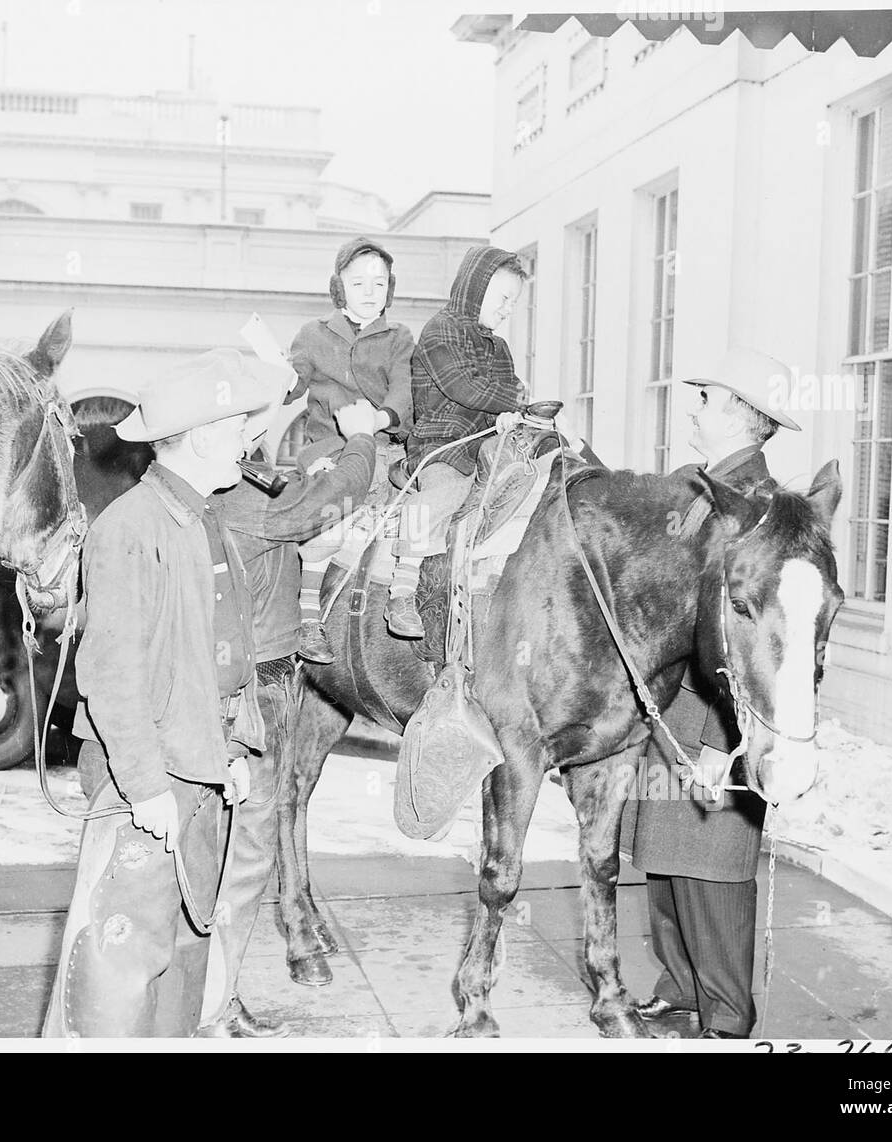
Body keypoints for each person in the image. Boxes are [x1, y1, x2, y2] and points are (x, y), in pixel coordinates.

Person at [41, 348, 279, 1039]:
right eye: (239, 425)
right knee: (112, 976)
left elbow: (217, 657)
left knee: (180, 961)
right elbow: (112, 675)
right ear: (204, 435)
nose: (247, 439)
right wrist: (146, 790)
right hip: (144, 787)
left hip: (197, 777)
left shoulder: (204, 520)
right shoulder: (129, 529)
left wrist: (232, 747)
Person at [619, 346, 802, 1039]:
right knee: (666, 867)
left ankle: (726, 1014)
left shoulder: (761, 509)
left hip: (712, 725)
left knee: (713, 873)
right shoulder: (695, 490)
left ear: (740, 417)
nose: (692, 411)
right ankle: (681, 986)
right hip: (667, 712)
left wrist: (715, 744)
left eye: (706, 400)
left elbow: (761, 648)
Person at [197, 398, 380, 1037]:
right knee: (241, 851)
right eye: (250, 427)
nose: (256, 440)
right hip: (251, 690)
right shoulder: (240, 496)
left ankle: (213, 998)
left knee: (240, 848)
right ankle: (210, 1004)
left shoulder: (237, 486)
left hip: (260, 680)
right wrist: (361, 441)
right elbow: (316, 504)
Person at [387, 245, 529, 638]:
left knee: (524, 471)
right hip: (442, 444)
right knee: (442, 493)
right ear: (477, 287)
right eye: (503, 299)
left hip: (481, 444)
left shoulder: (498, 347)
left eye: (513, 303)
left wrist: (505, 416)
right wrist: (517, 400)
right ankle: (403, 584)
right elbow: (464, 386)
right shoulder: (440, 330)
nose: (507, 310)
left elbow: (502, 390)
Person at [287, 236, 414, 660]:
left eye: (379, 285)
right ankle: (308, 619)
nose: (369, 293)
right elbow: (293, 383)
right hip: (331, 449)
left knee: (417, 514)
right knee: (331, 522)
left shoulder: (399, 337)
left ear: (390, 291)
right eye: (358, 283)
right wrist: (282, 381)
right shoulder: (312, 335)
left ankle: (403, 595)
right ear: (339, 288)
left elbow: (404, 391)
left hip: (385, 449)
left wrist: (377, 421)